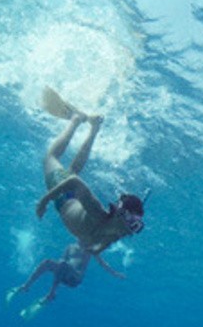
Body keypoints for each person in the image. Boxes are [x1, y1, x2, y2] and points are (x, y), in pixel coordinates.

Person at [35, 99, 146, 254]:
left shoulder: (116, 233)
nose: (130, 232)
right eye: (132, 224)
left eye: (135, 227)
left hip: (71, 199)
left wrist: (97, 250)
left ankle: (94, 128)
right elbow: (75, 183)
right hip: (63, 196)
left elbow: (108, 241)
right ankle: (75, 120)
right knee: (50, 158)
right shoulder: (96, 212)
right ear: (120, 215)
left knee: (72, 170)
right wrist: (44, 201)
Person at [6, 243, 125, 319]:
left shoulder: (90, 249)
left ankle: (51, 294)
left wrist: (115, 273)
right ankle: (26, 286)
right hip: (64, 275)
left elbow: (102, 263)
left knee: (63, 264)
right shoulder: (70, 247)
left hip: (75, 278)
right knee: (47, 262)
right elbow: (60, 264)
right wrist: (58, 273)